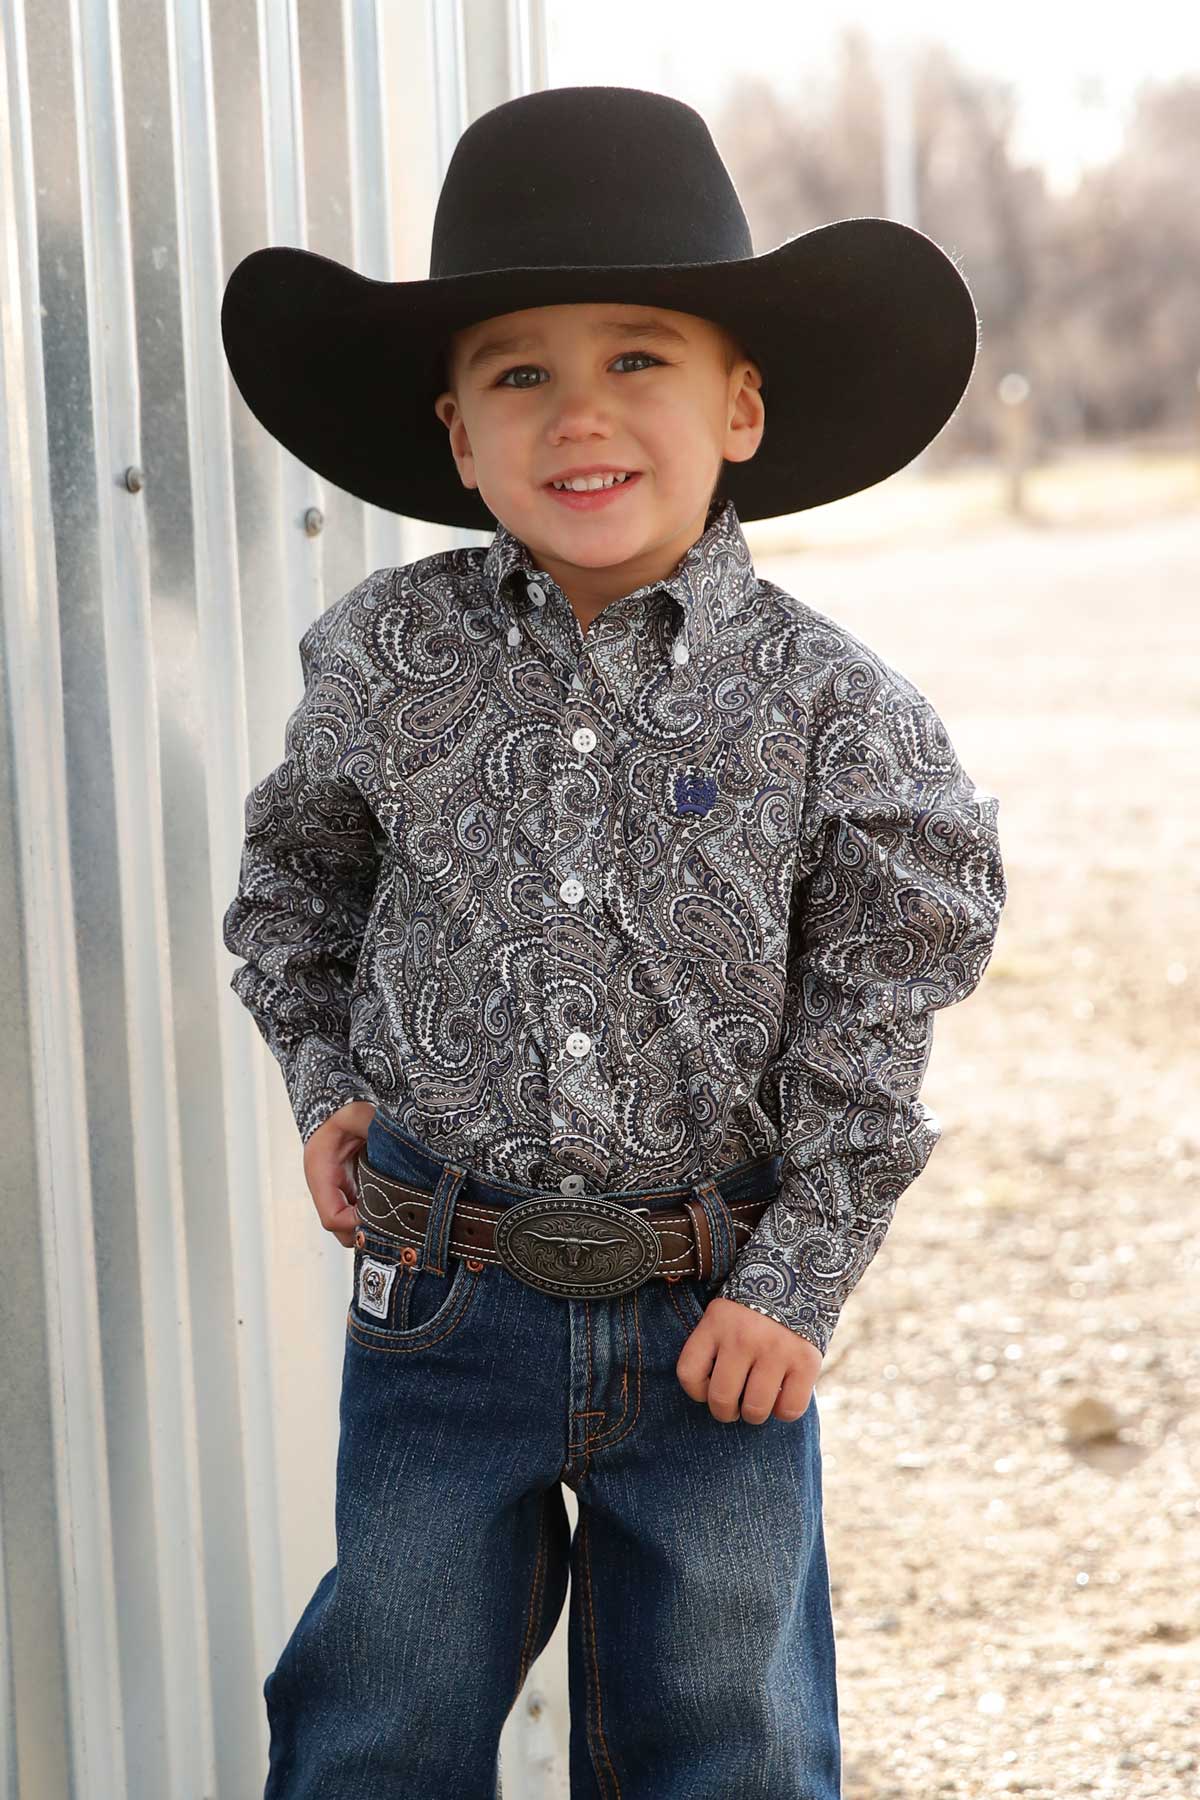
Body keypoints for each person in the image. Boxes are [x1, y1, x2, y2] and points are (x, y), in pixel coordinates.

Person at [221, 83, 1007, 1800]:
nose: (579, 413)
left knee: (728, 1735)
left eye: (637, 357)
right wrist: (325, 1079)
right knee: (381, 1712)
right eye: (520, 375)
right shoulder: (387, 662)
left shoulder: (836, 711)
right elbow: (296, 892)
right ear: (456, 434)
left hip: (712, 1307)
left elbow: (875, 1015)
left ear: (739, 404)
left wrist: (799, 1281)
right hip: (441, 1296)